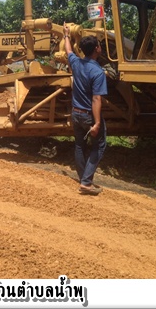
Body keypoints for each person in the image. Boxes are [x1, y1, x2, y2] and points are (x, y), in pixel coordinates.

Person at [63, 23, 108, 195]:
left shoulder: (76, 63)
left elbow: (68, 51)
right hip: (89, 115)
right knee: (100, 145)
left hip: (76, 113)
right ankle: (87, 182)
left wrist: (66, 35)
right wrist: (97, 123)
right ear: (97, 49)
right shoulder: (97, 72)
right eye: (100, 45)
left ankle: (84, 179)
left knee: (80, 145)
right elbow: (97, 99)